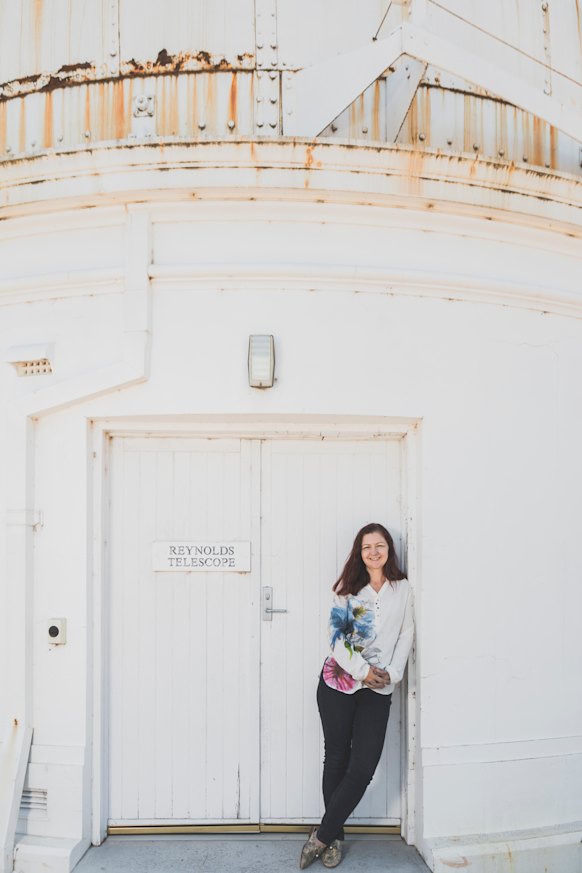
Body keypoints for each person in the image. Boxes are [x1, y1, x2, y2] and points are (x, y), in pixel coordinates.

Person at [299, 523, 414, 869]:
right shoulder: (347, 591)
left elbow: (407, 633)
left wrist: (391, 674)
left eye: (380, 546)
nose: (374, 552)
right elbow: (336, 640)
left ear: (389, 550)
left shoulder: (403, 589)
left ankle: (321, 835)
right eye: (367, 547)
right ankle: (335, 838)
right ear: (359, 553)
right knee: (336, 759)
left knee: (362, 767)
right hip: (340, 684)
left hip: (380, 687)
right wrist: (363, 671)